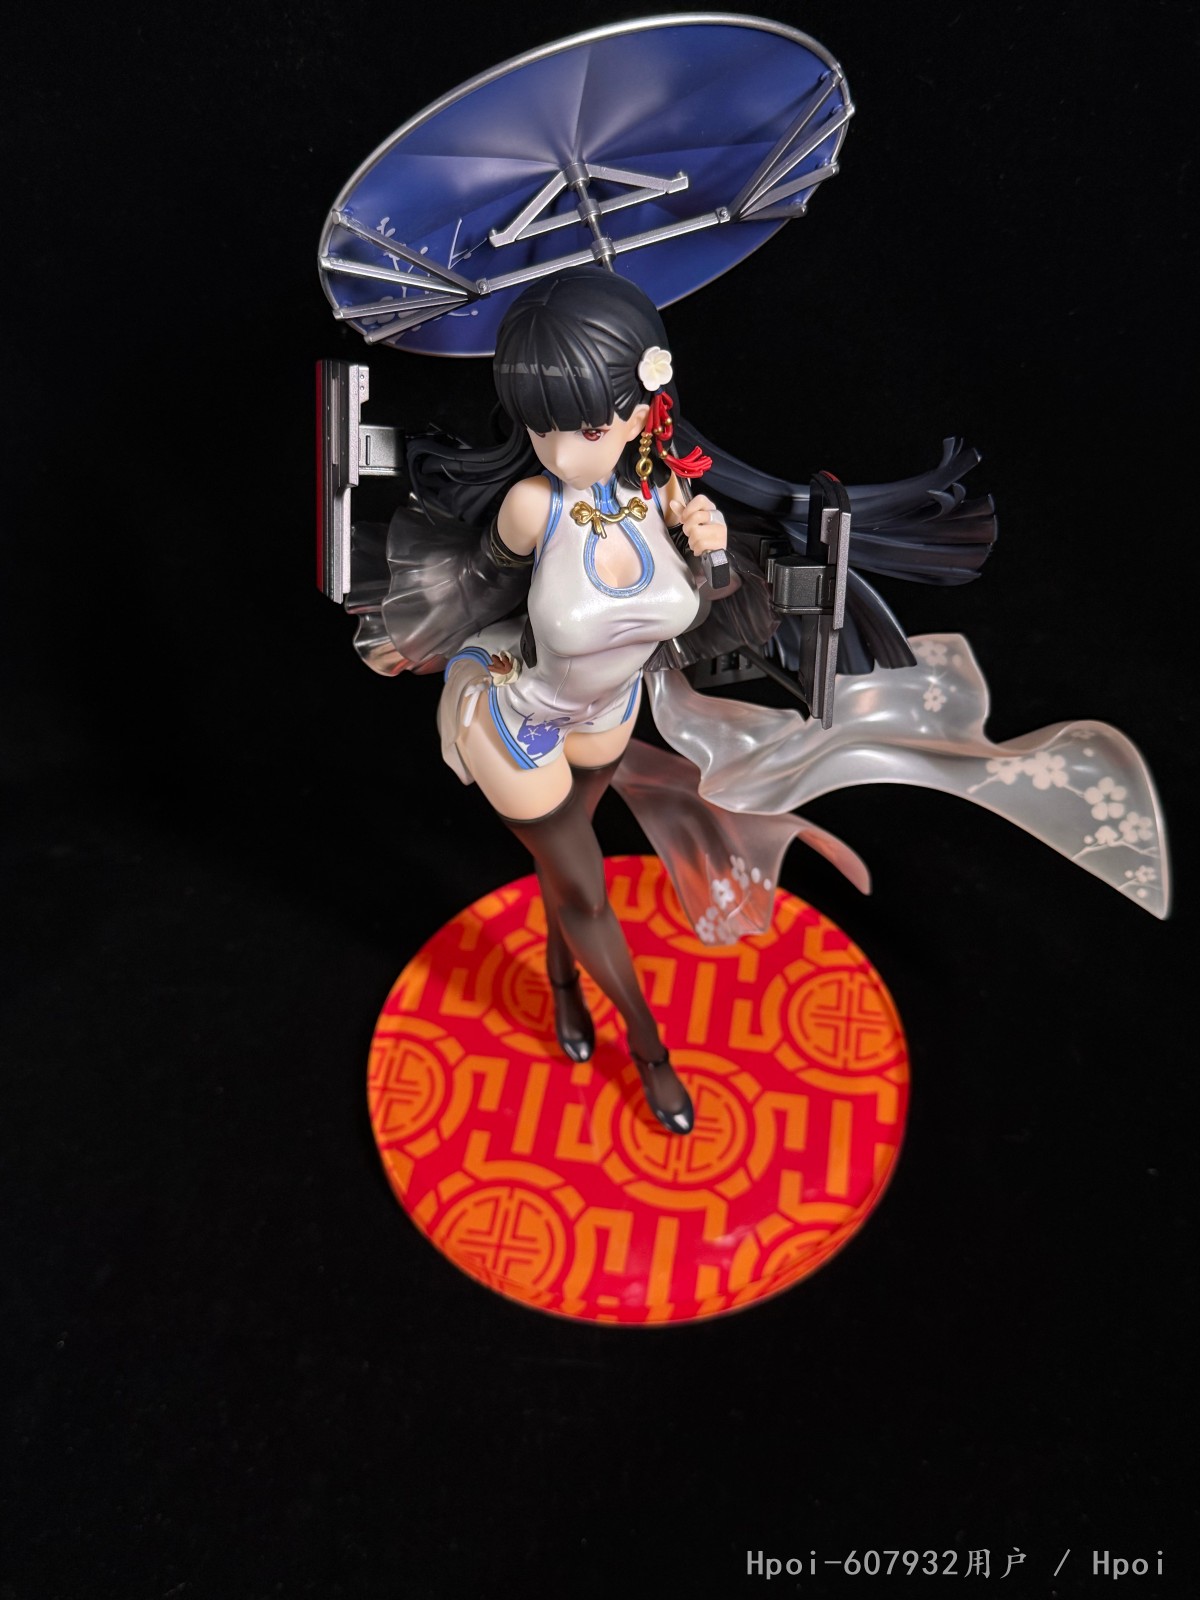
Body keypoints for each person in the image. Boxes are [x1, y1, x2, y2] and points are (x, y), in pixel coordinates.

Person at [344, 266, 1167, 1137]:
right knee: (586, 890)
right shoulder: (530, 505)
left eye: (585, 426)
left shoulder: (662, 495)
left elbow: (706, 608)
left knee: (567, 875)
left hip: (610, 710)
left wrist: (710, 554)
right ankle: (649, 1053)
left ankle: (559, 978)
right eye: (540, 424)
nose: (560, 451)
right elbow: (479, 588)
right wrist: (411, 633)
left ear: (641, 409)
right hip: (522, 715)